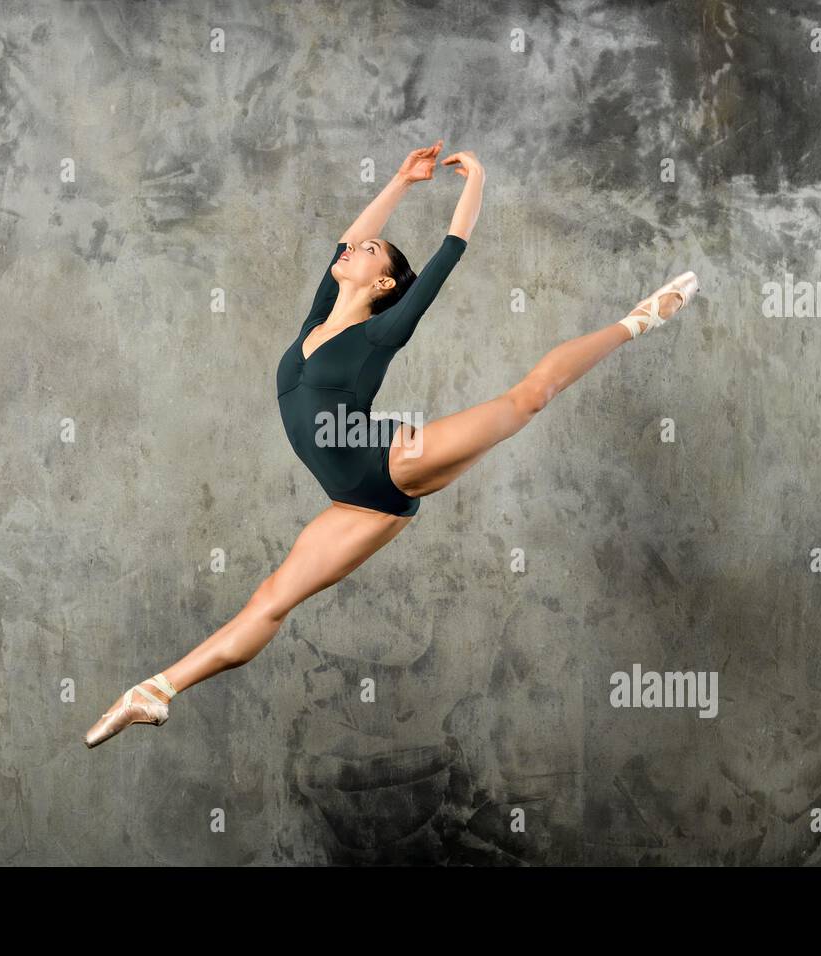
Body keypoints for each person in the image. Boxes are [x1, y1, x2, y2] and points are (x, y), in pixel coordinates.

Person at [85, 141, 697, 748]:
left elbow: (447, 255)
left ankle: (639, 319)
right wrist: (403, 181)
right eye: (354, 247)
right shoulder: (316, 322)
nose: (352, 248)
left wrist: (474, 179)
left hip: (387, 466)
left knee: (526, 399)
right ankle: (154, 692)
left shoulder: (383, 331)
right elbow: (346, 240)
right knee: (268, 603)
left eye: (368, 251)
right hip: (351, 503)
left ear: (381, 281)